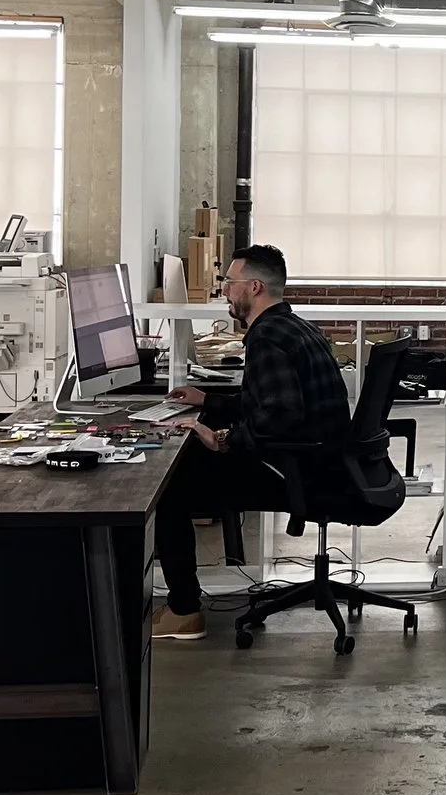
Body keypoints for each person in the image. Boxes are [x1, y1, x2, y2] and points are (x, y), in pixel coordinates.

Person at [148, 243, 350, 640]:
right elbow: (273, 402)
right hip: (323, 461)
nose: (224, 289)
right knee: (188, 465)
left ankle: (185, 612)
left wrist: (220, 438)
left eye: (229, 282)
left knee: (170, 488)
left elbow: (279, 418)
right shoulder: (293, 325)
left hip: (298, 471)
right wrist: (210, 401)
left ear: (254, 287)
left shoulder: (266, 339)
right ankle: (183, 603)